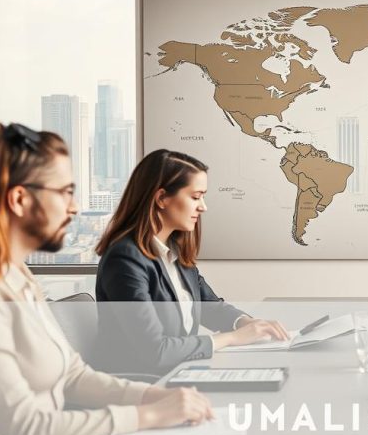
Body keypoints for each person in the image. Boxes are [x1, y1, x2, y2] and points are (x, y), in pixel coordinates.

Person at [0, 122, 213, 435]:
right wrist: (146, 416)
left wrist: (150, 396)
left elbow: (73, 374)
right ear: (19, 199)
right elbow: (27, 429)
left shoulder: (17, 276)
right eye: (65, 192)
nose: (74, 207)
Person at [95, 149, 288, 376]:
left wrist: (246, 323)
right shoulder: (125, 260)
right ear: (161, 199)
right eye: (195, 197)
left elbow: (210, 307)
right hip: (148, 386)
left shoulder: (173, 251)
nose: (203, 206)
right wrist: (232, 338)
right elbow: (155, 350)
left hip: (183, 371)